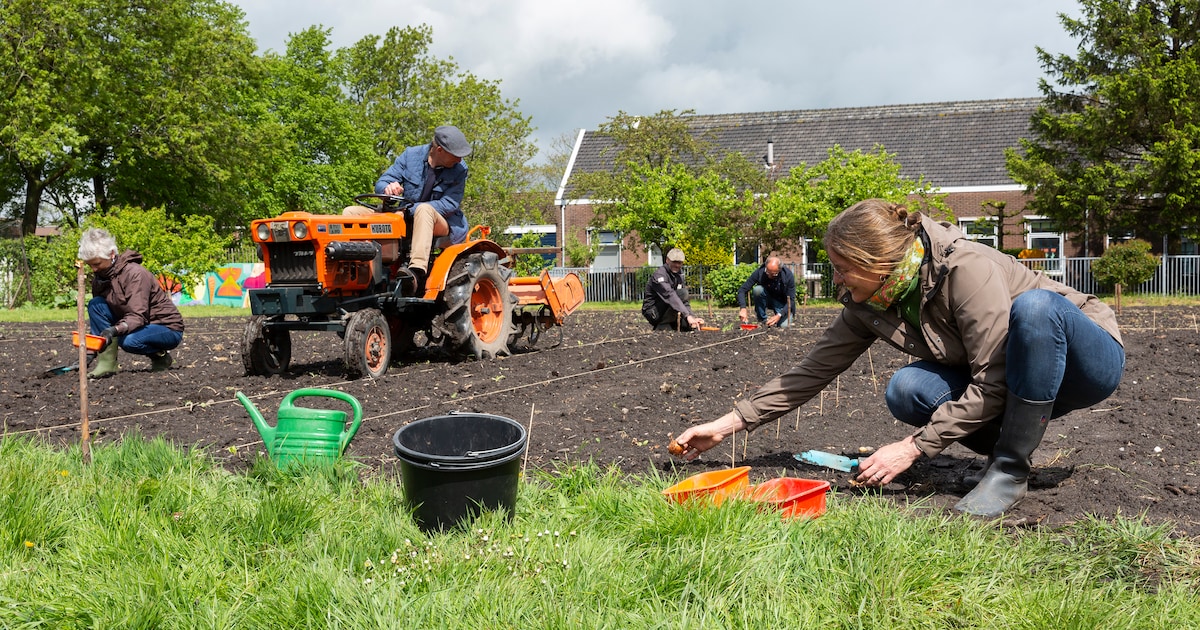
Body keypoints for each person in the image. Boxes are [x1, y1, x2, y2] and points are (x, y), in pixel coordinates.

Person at [674, 199, 1124, 517]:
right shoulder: (869, 300)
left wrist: (912, 449)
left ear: (879, 263)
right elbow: (812, 371)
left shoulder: (965, 270)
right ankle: (1004, 458)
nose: (836, 278)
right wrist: (724, 426)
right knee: (908, 389)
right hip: (1012, 378)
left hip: (1083, 360)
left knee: (1036, 309)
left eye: (843, 267)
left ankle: (1008, 470)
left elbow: (992, 380)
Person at [343, 125, 472, 295]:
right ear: (439, 150)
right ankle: (355, 268)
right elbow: (383, 181)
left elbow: (449, 203)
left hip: (441, 222)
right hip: (402, 216)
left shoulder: (459, 169)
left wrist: (407, 210)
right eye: (455, 155)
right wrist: (388, 188)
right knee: (350, 213)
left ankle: (416, 272)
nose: (459, 159)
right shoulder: (411, 155)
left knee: (424, 210)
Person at [77, 228, 185, 378]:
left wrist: (114, 330)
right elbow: (101, 317)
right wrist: (90, 353)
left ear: (112, 254)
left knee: (129, 341)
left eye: (97, 263)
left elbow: (137, 316)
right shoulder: (100, 277)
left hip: (165, 326)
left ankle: (160, 356)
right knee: (96, 304)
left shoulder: (135, 274)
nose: (93, 269)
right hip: (136, 322)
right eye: (90, 265)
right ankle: (106, 363)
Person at [642, 248, 706, 331]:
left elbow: (684, 301)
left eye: (680, 263)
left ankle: (668, 325)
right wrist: (687, 315)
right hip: (653, 312)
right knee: (682, 293)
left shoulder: (679, 275)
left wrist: (692, 318)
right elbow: (670, 295)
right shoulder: (660, 275)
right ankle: (662, 325)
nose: (677, 265)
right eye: (674, 262)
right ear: (667, 260)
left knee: (689, 327)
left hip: (668, 309)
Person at [737, 256, 797, 328]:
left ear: (780, 270)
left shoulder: (787, 276)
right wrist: (743, 308)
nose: (769, 276)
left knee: (783, 326)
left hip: (782, 304)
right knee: (758, 290)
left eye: (774, 274)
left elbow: (791, 300)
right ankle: (762, 320)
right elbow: (742, 290)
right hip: (768, 299)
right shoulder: (760, 272)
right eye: (767, 272)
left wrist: (779, 315)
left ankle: (780, 318)